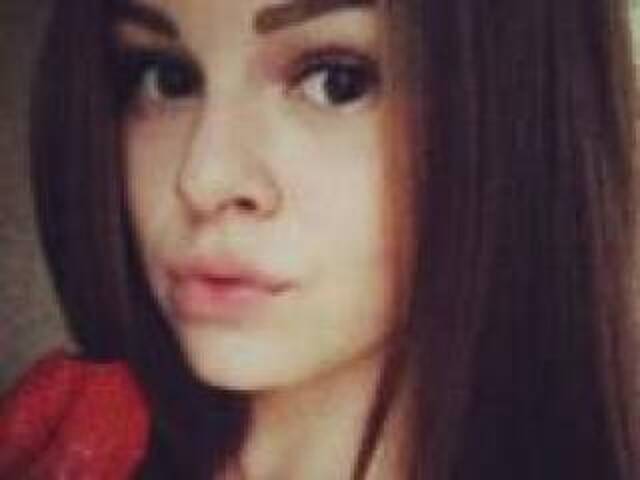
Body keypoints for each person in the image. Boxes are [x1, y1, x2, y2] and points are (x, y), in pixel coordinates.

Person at [0, 0, 637, 478]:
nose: (202, 177)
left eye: (337, 82)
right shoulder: (72, 441)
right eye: (166, 78)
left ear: (520, 111)